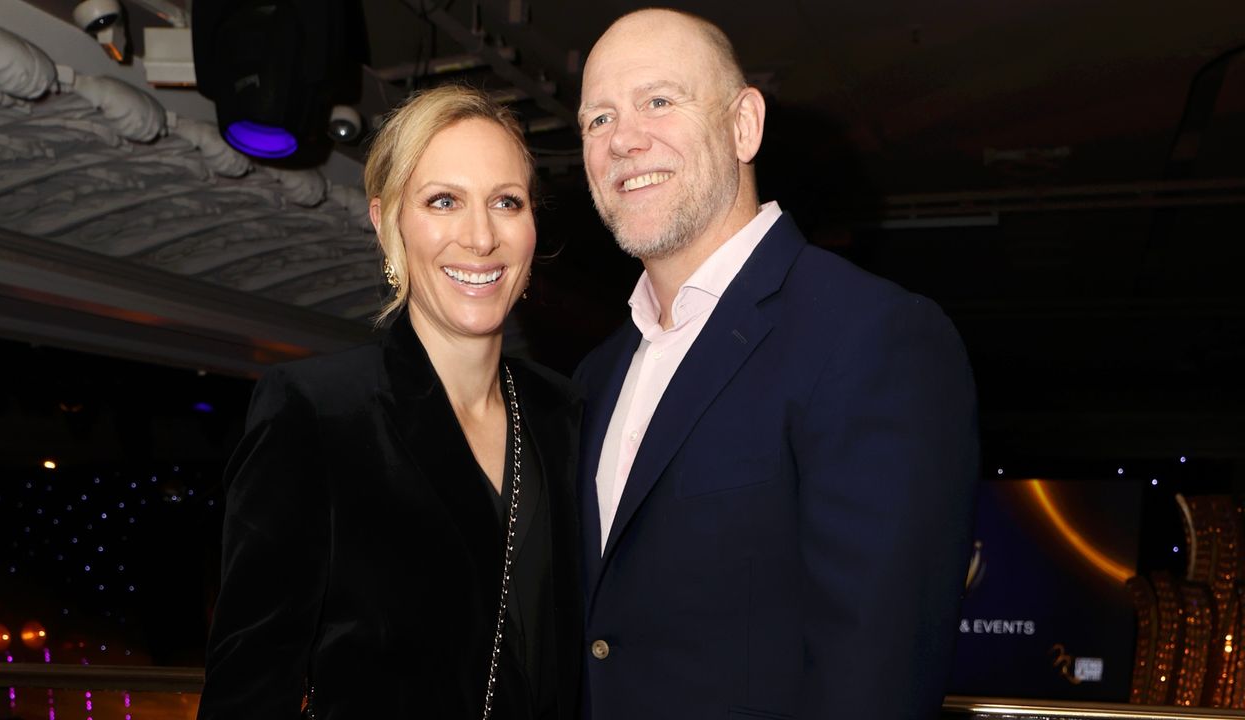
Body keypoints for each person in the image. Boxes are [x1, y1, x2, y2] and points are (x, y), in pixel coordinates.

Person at [573, 9, 979, 720]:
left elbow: (876, 678)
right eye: (597, 120)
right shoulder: (594, 376)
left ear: (743, 125)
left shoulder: (872, 335)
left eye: (658, 101)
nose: (624, 140)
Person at [197, 85, 582, 720]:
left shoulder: (564, 411)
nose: (481, 236)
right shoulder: (316, 412)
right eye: (443, 201)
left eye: (506, 202)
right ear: (387, 222)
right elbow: (248, 690)